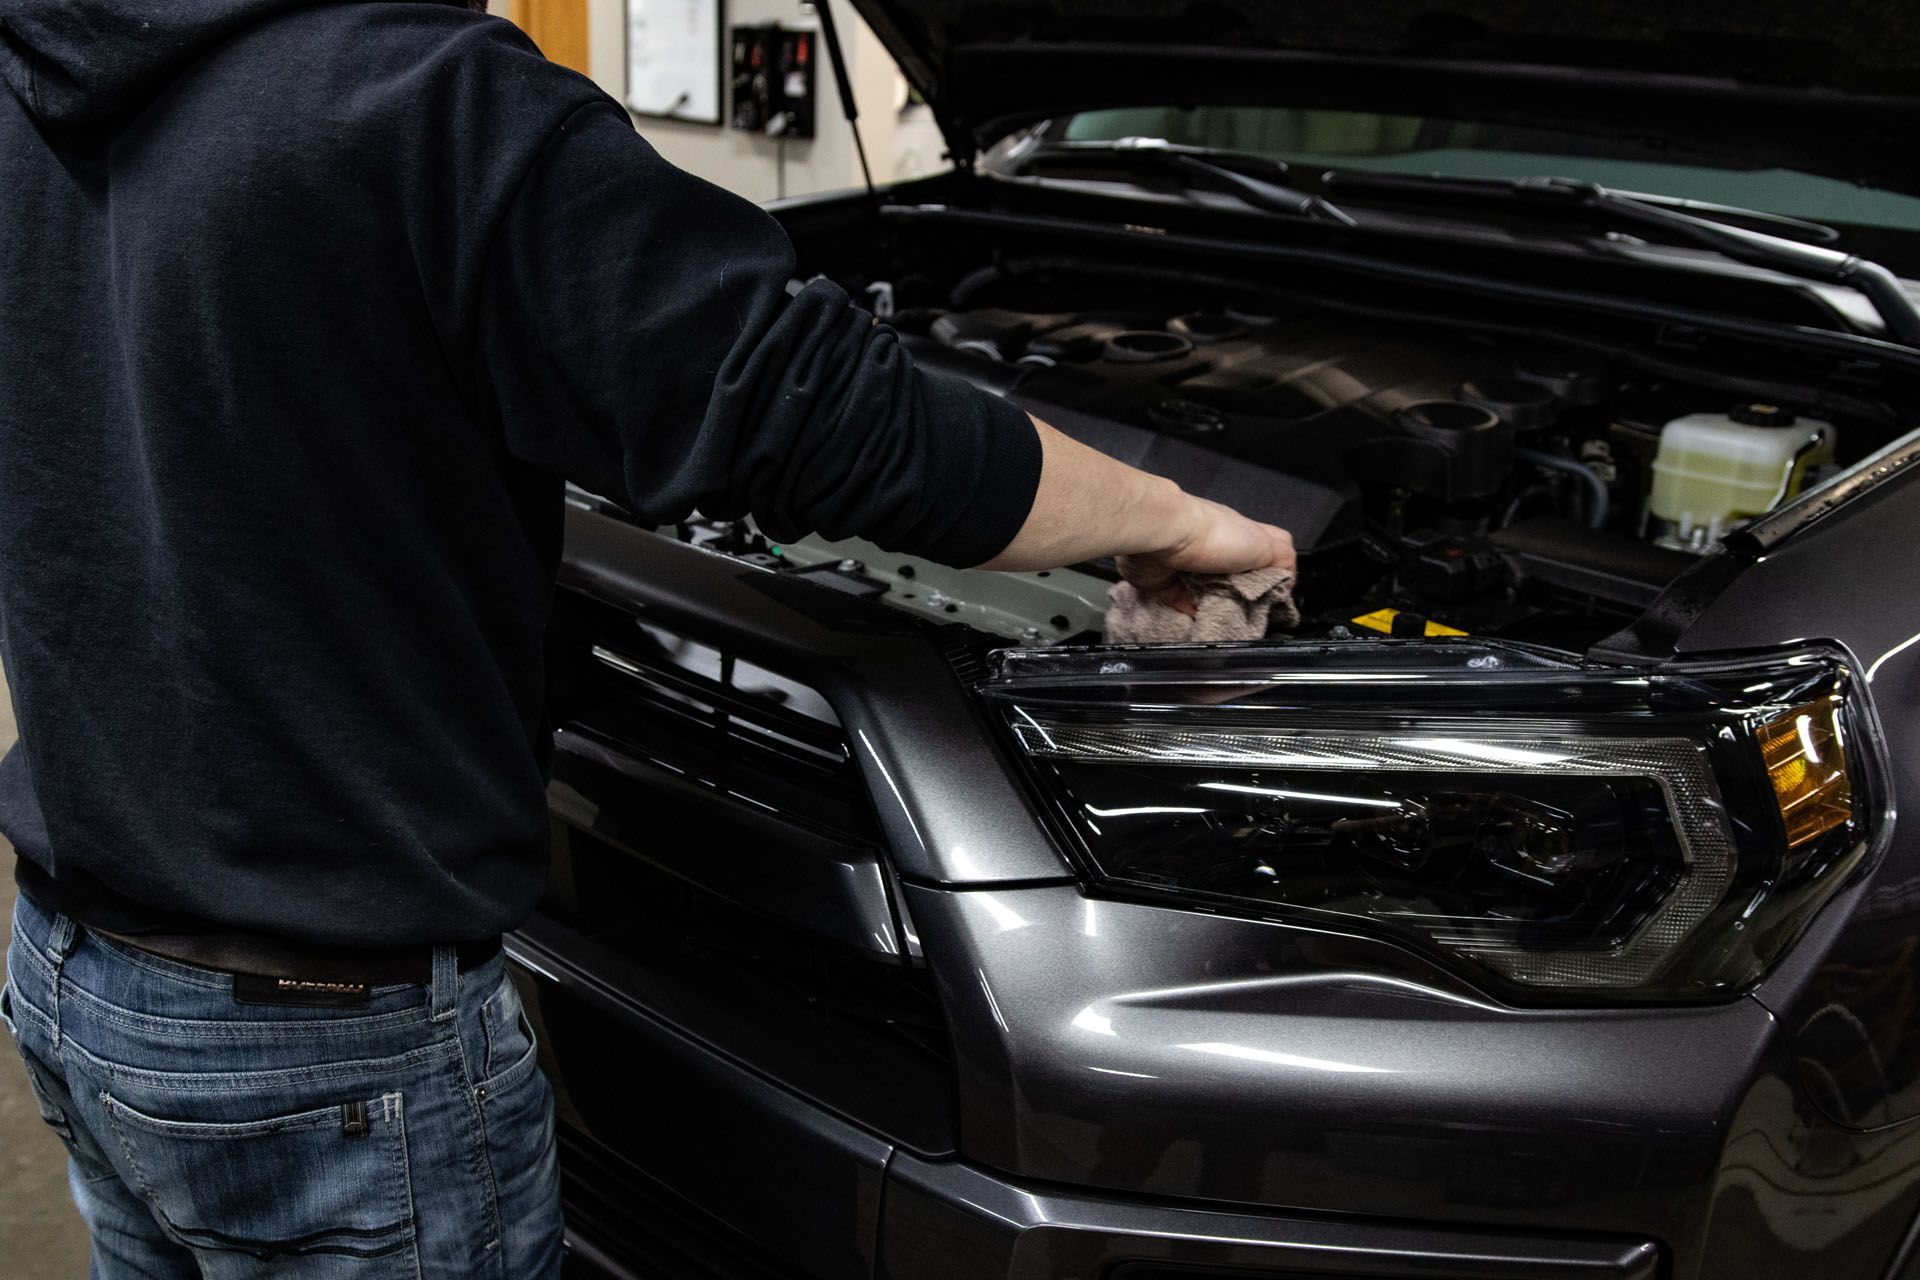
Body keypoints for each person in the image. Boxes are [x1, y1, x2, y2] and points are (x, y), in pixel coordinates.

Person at [0, 1, 1294, 1275]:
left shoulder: (49, 65)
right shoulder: (421, 94)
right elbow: (817, 413)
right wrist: (1178, 523)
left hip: (82, 968)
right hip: (329, 1050)